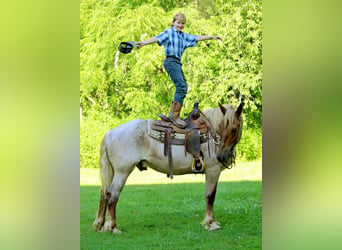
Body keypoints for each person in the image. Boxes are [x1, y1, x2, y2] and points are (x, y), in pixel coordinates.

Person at [137, 13, 222, 127]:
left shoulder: (183, 36)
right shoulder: (169, 32)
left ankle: (174, 114)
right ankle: (174, 115)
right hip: (170, 61)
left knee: (183, 86)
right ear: (173, 22)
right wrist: (144, 43)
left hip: (177, 63)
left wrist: (211, 37)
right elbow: (157, 38)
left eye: (182, 24)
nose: (180, 25)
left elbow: (197, 38)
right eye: (178, 23)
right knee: (181, 86)